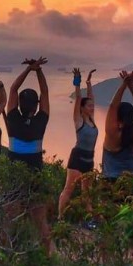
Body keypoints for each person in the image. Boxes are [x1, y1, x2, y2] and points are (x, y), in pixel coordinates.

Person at [4, 57, 54, 254]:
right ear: (36, 106)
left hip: (13, 178)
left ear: (20, 104)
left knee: (9, 222)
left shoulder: (13, 118)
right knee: (41, 224)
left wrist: (27, 70)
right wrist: (38, 71)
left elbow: (13, 90)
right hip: (35, 177)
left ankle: (7, 254)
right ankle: (47, 257)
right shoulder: (41, 121)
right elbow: (45, 92)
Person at [57, 68, 98, 221]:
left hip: (89, 159)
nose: (92, 107)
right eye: (88, 106)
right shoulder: (78, 120)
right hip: (77, 158)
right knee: (69, 188)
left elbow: (90, 98)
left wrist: (89, 83)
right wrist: (77, 81)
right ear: (82, 108)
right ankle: (60, 217)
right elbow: (79, 97)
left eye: (92, 106)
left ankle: (89, 220)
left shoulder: (91, 119)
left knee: (87, 192)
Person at [101, 69, 133, 179]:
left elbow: (113, 106)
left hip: (110, 184)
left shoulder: (112, 134)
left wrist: (125, 84)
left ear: (119, 120)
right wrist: (131, 86)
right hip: (132, 182)